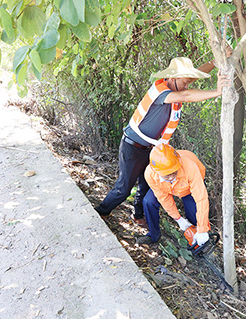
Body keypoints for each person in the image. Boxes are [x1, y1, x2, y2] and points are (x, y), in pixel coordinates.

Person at [94, 57, 230, 226]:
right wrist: (216, 92)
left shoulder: (176, 85)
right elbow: (186, 95)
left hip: (152, 150)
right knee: (123, 188)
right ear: (172, 78)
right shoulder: (160, 91)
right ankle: (101, 212)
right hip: (132, 147)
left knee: (146, 185)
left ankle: (138, 215)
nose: (187, 85)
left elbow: (190, 81)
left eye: (189, 82)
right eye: (185, 82)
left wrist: (214, 62)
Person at [138, 143, 210, 245]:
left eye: (174, 172)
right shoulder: (150, 174)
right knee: (148, 202)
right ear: (157, 171)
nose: (171, 177)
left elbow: (201, 199)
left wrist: (202, 229)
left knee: (195, 216)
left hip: (188, 187)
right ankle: (153, 235)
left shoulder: (190, 167)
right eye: (167, 174)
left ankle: (199, 241)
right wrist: (178, 219)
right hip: (165, 188)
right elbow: (164, 198)